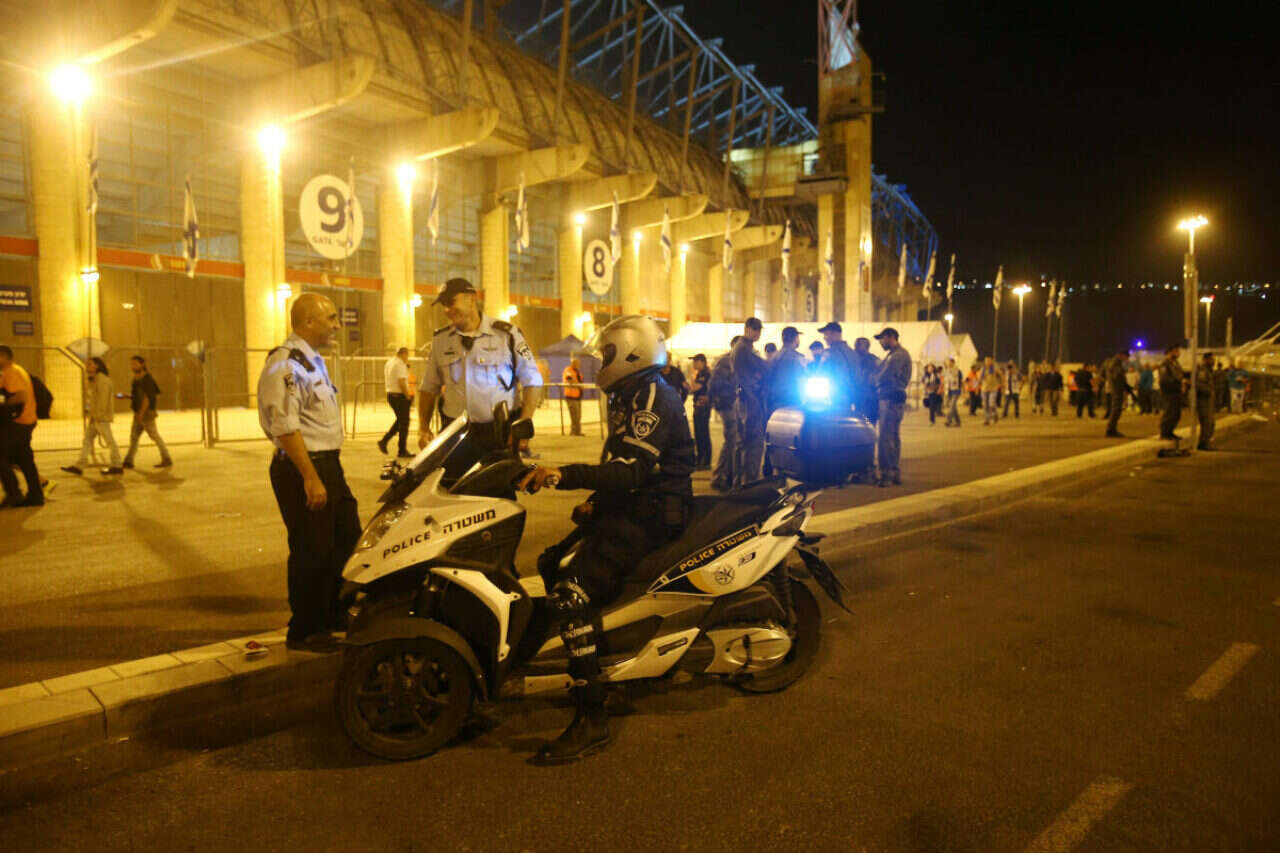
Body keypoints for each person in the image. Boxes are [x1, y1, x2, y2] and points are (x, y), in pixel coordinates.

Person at [520, 315, 694, 763]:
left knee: (570, 596)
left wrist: (562, 475)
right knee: (551, 562)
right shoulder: (629, 393)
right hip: (633, 503)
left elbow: (632, 471)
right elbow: (620, 465)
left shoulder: (653, 395)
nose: (600, 364)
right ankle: (602, 661)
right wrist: (596, 500)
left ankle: (591, 716)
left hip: (654, 511)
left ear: (632, 353)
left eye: (607, 355)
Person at [257, 293, 360, 653]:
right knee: (312, 549)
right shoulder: (285, 364)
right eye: (331, 318)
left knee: (346, 539)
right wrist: (310, 477)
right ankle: (305, 629)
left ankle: (334, 614)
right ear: (308, 321)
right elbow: (285, 426)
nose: (337, 325)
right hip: (303, 466)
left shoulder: (313, 360)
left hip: (327, 464)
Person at [416, 278, 543, 471]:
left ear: (471, 299)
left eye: (451, 302)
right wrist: (423, 428)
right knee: (451, 486)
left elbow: (532, 380)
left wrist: (524, 424)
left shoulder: (507, 335)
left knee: (498, 487)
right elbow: (429, 387)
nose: (447, 310)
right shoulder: (441, 340)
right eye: (443, 305)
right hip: (454, 435)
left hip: (498, 435)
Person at [62, 356, 123, 475]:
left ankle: (117, 465)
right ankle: (79, 466)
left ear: (97, 366)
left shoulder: (103, 381)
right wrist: (91, 414)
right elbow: (92, 399)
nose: (87, 366)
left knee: (109, 441)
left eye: (90, 364)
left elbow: (103, 400)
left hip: (101, 418)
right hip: (95, 417)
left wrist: (97, 415)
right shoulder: (94, 380)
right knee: (87, 440)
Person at [0, 345, 43, 507]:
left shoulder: (11, 372)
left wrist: (3, 404)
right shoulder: (16, 370)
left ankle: (14, 493)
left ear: (4, 357)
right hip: (25, 422)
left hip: (18, 424)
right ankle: (35, 495)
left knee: (2, 457)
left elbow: (21, 396)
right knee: (24, 460)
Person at [873, 327, 911, 486]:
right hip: (894, 399)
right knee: (893, 436)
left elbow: (884, 376)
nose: (880, 342)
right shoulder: (895, 355)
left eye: (882, 339)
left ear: (890, 337)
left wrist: (872, 379)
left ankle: (886, 474)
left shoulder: (897, 356)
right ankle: (894, 472)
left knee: (885, 437)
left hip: (890, 399)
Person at [733, 318, 769, 486]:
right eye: (755, 329)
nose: (757, 333)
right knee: (752, 442)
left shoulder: (745, 347)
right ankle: (748, 483)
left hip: (747, 398)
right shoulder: (743, 348)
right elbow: (763, 368)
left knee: (743, 443)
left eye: (759, 330)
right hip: (749, 399)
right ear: (747, 329)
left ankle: (740, 483)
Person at [122, 355, 172, 469]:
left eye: (135, 364)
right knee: (134, 437)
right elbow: (137, 396)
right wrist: (127, 396)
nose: (133, 366)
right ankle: (129, 460)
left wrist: (141, 413)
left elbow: (147, 398)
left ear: (142, 364)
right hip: (138, 412)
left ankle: (166, 458)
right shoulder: (136, 379)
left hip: (146, 413)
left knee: (154, 436)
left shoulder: (147, 379)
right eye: (132, 364)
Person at [708, 341, 739, 491]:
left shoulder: (735, 361)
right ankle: (719, 477)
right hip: (728, 405)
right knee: (731, 441)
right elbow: (715, 384)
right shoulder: (727, 361)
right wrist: (733, 392)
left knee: (734, 442)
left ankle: (728, 477)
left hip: (733, 405)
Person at [378, 346, 413, 458]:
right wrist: (407, 395)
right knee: (404, 423)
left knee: (401, 421)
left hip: (391, 395)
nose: (407, 358)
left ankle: (385, 441)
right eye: (407, 355)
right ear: (403, 354)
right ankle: (401, 450)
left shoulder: (390, 362)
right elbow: (401, 381)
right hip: (399, 396)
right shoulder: (400, 364)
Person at [767, 326, 807, 413]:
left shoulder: (774, 356)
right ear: (795, 338)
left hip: (775, 401)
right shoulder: (797, 358)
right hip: (792, 401)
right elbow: (802, 381)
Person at [688, 353, 712, 469]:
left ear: (701, 362)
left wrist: (691, 377)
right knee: (699, 434)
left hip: (702, 408)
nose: (693, 364)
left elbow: (694, 388)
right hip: (699, 407)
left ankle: (704, 461)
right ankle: (701, 459)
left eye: (695, 361)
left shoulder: (705, 374)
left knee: (702, 434)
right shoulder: (701, 373)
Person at [851, 337, 881, 424]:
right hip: (859, 397)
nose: (855, 347)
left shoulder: (874, 360)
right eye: (856, 345)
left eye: (858, 345)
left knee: (870, 422)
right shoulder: (854, 360)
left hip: (871, 398)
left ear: (867, 347)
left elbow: (879, 377)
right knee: (859, 422)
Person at [1158, 345, 1184, 439]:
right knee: (1169, 413)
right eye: (1176, 351)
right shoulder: (1165, 365)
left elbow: (1180, 374)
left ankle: (1170, 432)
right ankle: (1164, 433)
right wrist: (1178, 381)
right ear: (1170, 352)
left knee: (1176, 414)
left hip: (1176, 391)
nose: (1178, 353)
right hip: (1169, 392)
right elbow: (1164, 380)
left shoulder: (1175, 363)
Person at [1104, 349, 1132, 437]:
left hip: (1117, 389)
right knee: (1116, 409)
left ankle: (1112, 429)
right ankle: (1111, 429)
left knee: (1117, 409)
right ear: (1121, 355)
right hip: (1116, 389)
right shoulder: (1115, 364)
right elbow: (1116, 377)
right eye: (1126, 357)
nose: (1126, 359)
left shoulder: (1115, 363)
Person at [1194, 353, 1216, 450]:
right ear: (1206, 360)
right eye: (1211, 359)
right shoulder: (1202, 371)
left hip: (1209, 400)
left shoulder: (1209, 371)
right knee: (1206, 422)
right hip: (1204, 400)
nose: (1213, 361)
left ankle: (1205, 442)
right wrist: (1209, 392)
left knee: (1211, 422)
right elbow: (1199, 384)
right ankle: (1204, 443)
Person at [562, 356, 585, 437]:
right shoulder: (568, 370)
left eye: (579, 363)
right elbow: (569, 379)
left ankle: (578, 431)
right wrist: (578, 384)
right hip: (571, 396)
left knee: (578, 415)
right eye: (577, 363)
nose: (579, 365)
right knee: (574, 415)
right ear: (573, 364)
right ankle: (574, 431)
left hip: (578, 396)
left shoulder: (578, 371)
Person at [979, 357, 1003, 425]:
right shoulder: (982, 369)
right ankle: (987, 419)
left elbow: (1001, 376)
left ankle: (995, 414)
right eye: (986, 361)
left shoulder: (995, 368)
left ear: (991, 361)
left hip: (993, 389)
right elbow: (979, 379)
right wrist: (975, 387)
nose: (987, 362)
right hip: (984, 389)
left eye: (989, 361)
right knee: (986, 405)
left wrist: (1001, 384)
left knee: (991, 403)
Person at [943, 357, 964, 427]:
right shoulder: (946, 371)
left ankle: (948, 421)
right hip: (948, 391)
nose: (948, 364)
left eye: (950, 362)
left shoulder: (958, 371)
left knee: (952, 406)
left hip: (956, 390)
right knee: (953, 407)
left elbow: (961, 380)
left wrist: (964, 390)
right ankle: (958, 421)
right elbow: (944, 381)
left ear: (953, 363)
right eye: (947, 363)